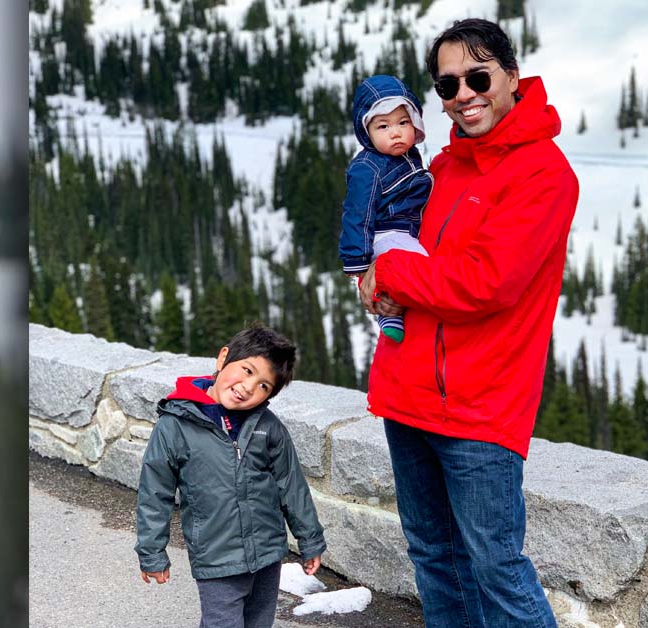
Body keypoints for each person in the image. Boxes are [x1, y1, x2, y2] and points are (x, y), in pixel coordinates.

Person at [358, 18, 579, 628]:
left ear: (511, 76)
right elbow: (419, 261)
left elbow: (487, 283)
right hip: (409, 393)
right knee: (434, 556)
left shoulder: (544, 173)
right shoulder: (447, 167)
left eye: (478, 76)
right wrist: (377, 284)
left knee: (496, 568)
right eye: (448, 85)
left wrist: (394, 273)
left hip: (481, 406)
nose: (464, 94)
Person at [134, 325, 326, 628]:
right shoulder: (175, 426)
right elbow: (154, 494)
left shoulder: (268, 426)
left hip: (266, 555)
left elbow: (291, 485)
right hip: (217, 558)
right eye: (247, 370)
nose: (249, 387)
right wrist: (152, 553)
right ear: (223, 357)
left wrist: (310, 539)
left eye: (264, 385)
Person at [339, 74, 433, 343]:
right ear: (366, 131)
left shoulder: (408, 156)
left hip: (404, 230)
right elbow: (358, 213)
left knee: (417, 263)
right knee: (420, 268)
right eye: (383, 126)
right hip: (386, 233)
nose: (395, 132)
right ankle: (388, 313)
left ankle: (393, 309)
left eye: (403, 122)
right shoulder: (367, 168)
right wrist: (357, 261)